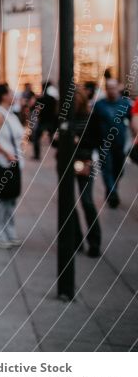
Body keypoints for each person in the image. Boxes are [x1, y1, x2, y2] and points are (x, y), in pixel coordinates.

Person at [0, 84, 25, 249]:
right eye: (10, 92)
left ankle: (9, 232)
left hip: (14, 162)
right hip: (4, 162)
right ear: (3, 96)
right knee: (1, 199)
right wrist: (6, 152)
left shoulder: (11, 114)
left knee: (11, 199)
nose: (13, 94)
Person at [68, 87, 101, 258]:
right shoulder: (65, 117)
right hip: (67, 163)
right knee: (69, 202)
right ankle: (76, 239)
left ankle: (94, 242)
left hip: (85, 161)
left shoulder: (91, 117)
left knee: (87, 201)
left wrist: (79, 142)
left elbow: (98, 141)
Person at [91, 78, 133, 208]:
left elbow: (133, 122)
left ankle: (111, 189)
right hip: (104, 144)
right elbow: (93, 124)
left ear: (118, 88)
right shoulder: (99, 105)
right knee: (107, 168)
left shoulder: (125, 104)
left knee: (119, 170)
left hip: (120, 144)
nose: (112, 90)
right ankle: (113, 192)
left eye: (114, 88)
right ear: (106, 89)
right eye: (109, 88)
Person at [32, 81, 58, 160]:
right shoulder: (53, 99)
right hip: (51, 121)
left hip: (43, 121)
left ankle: (37, 155)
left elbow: (36, 109)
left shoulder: (41, 99)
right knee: (53, 137)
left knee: (36, 137)